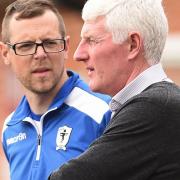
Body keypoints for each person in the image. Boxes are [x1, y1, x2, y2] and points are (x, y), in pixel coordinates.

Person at [49, 0, 180, 179]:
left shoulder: (155, 108)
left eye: (92, 40)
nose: (78, 54)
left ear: (132, 44)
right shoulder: (156, 104)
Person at [0, 0, 112, 180]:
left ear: (66, 46)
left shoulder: (104, 112)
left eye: (50, 43)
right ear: (5, 53)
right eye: (26, 46)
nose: (40, 54)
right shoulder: (9, 128)